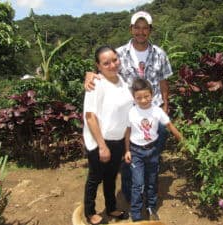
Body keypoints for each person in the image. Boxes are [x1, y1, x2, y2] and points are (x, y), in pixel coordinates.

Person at [84, 11, 173, 203]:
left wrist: (165, 106)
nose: (141, 32)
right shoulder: (120, 53)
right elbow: (105, 67)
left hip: (154, 113)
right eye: (137, 27)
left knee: (153, 159)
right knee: (128, 158)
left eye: (145, 28)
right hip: (130, 116)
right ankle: (128, 194)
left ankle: (149, 195)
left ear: (150, 30)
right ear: (131, 29)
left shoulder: (160, 54)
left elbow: (164, 81)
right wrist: (90, 74)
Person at [82, 45, 132, 225]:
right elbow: (90, 116)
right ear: (98, 65)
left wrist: (125, 145)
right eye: (106, 63)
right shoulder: (96, 84)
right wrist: (102, 146)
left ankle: (111, 207)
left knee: (111, 177)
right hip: (99, 141)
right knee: (95, 177)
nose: (112, 65)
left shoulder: (123, 81)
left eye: (114, 60)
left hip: (118, 140)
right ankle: (89, 212)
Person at [124, 78, 183, 222]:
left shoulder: (157, 111)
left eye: (146, 96)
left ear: (152, 94)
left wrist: (183, 141)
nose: (143, 100)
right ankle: (136, 214)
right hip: (136, 152)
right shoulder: (131, 112)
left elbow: (170, 126)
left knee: (151, 182)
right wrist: (127, 150)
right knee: (138, 184)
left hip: (152, 151)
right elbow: (127, 132)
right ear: (134, 97)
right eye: (139, 97)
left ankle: (151, 207)